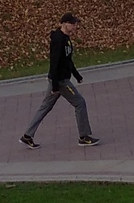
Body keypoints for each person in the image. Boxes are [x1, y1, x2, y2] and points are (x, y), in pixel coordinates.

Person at [20, 12, 99, 148]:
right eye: (73, 24)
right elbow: (55, 62)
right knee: (80, 103)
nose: (75, 26)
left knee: (45, 107)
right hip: (60, 82)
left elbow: (67, 59)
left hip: (58, 80)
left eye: (75, 24)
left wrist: (76, 75)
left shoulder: (66, 38)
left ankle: (27, 136)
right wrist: (56, 85)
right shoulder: (58, 40)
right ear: (64, 24)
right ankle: (84, 137)